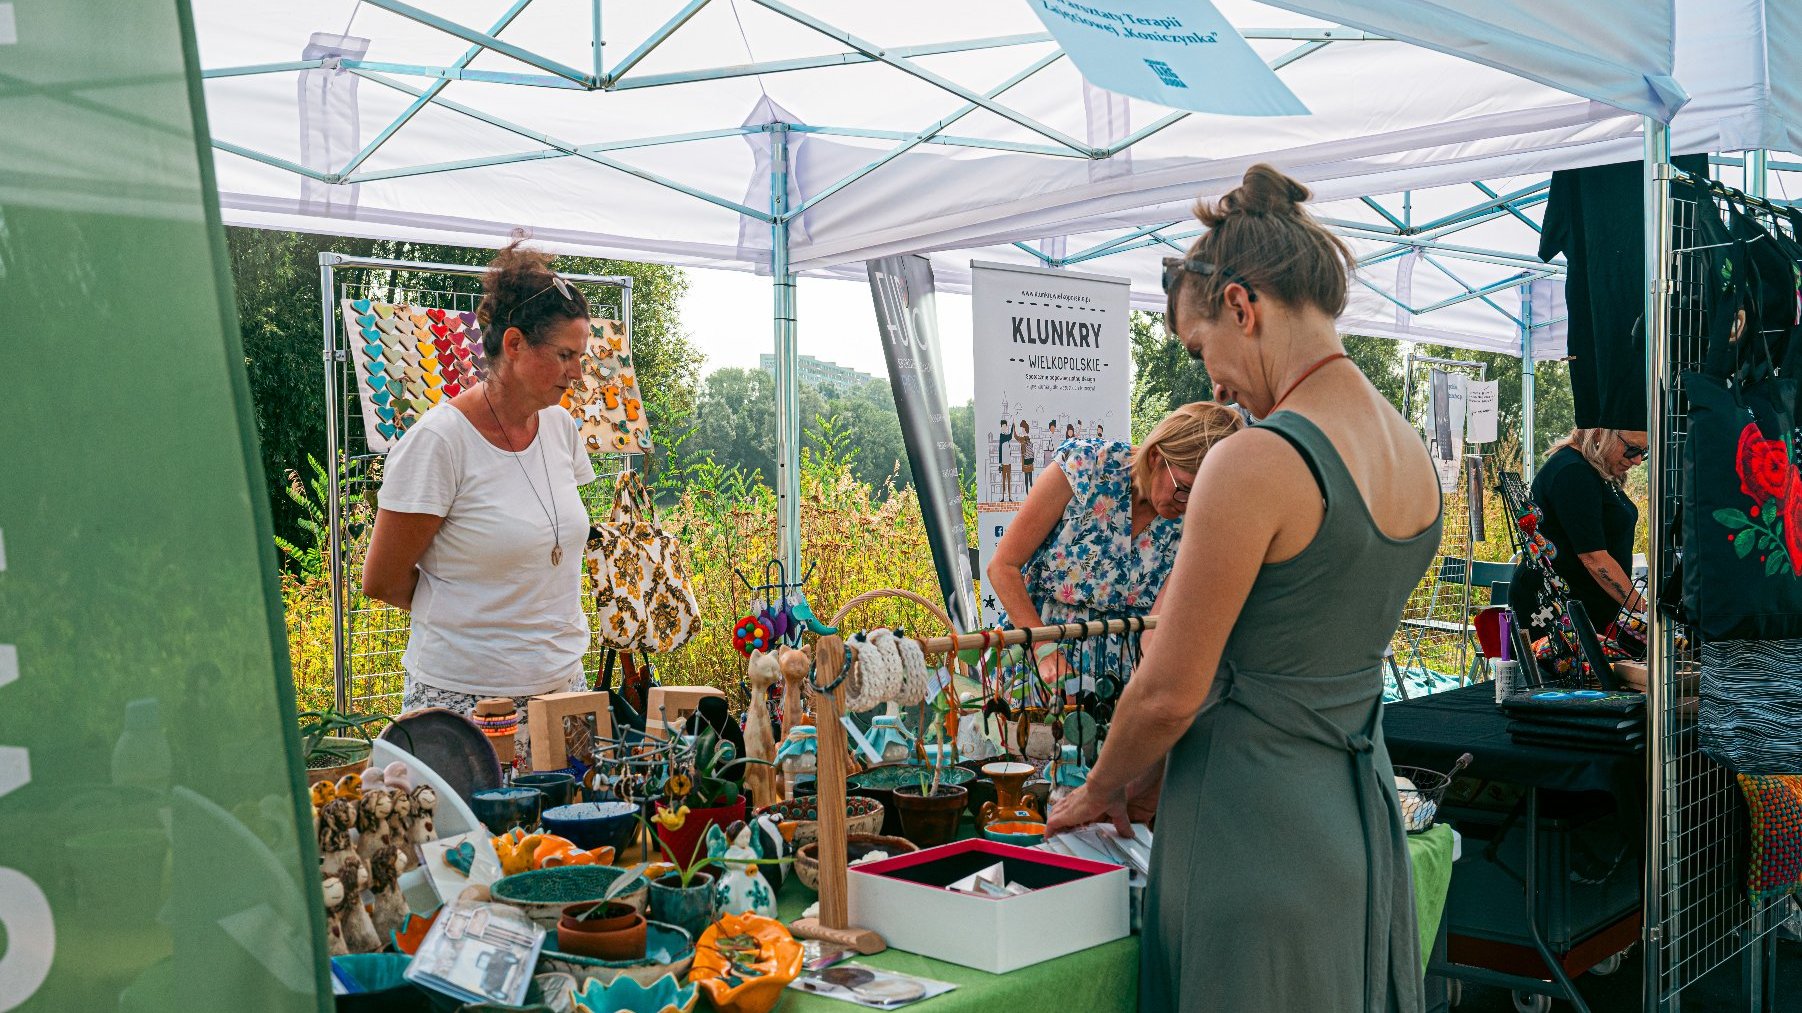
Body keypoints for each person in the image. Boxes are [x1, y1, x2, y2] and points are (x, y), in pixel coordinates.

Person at [1046, 164, 1441, 1012]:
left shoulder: (1255, 460)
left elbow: (1166, 691)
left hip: (1248, 836)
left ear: (1241, 306)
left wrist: (1102, 784)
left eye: (1201, 352)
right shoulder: (1412, 454)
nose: (1213, 384)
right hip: (1358, 830)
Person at [363, 241, 595, 755]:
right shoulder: (440, 442)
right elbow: (382, 579)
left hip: (561, 691)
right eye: (564, 355)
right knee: (473, 838)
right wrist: (470, 614)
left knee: (569, 837)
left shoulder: (560, 429)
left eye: (580, 357)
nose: (576, 372)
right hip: (462, 705)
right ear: (514, 344)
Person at [985, 401, 1244, 691]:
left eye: (1203, 496)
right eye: (1184, 489)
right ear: (1157, 457)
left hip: (1123, 679)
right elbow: (1003, 567)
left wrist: (1141, 689)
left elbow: (1157, 626)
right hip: (1037, 662)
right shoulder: (1084, 467)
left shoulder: (1198, 520)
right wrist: (1045, 651)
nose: (1188, 505)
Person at [1512, 428, 1648, 640]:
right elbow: (1594, 558)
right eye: (1632, 449)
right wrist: (1643, 611)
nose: (1638, 460)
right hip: (1556, 612)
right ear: (1600, 434)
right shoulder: (1573, 472)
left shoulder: (1595, 470)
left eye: (1643, 452)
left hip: (1583, 610)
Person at [1016, 420, 1036, 493]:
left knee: (1029, 478)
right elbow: (1016, 436)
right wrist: (1014, 428)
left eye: (1023, 429)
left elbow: (1016, 437)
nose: (1022, 430)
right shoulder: (1025, 439)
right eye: (1022, 429)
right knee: (1027, 478)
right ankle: (1028, 492)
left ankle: (1030, 492)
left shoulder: (1026, 439)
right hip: (1028, 460)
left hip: (1028, 460)